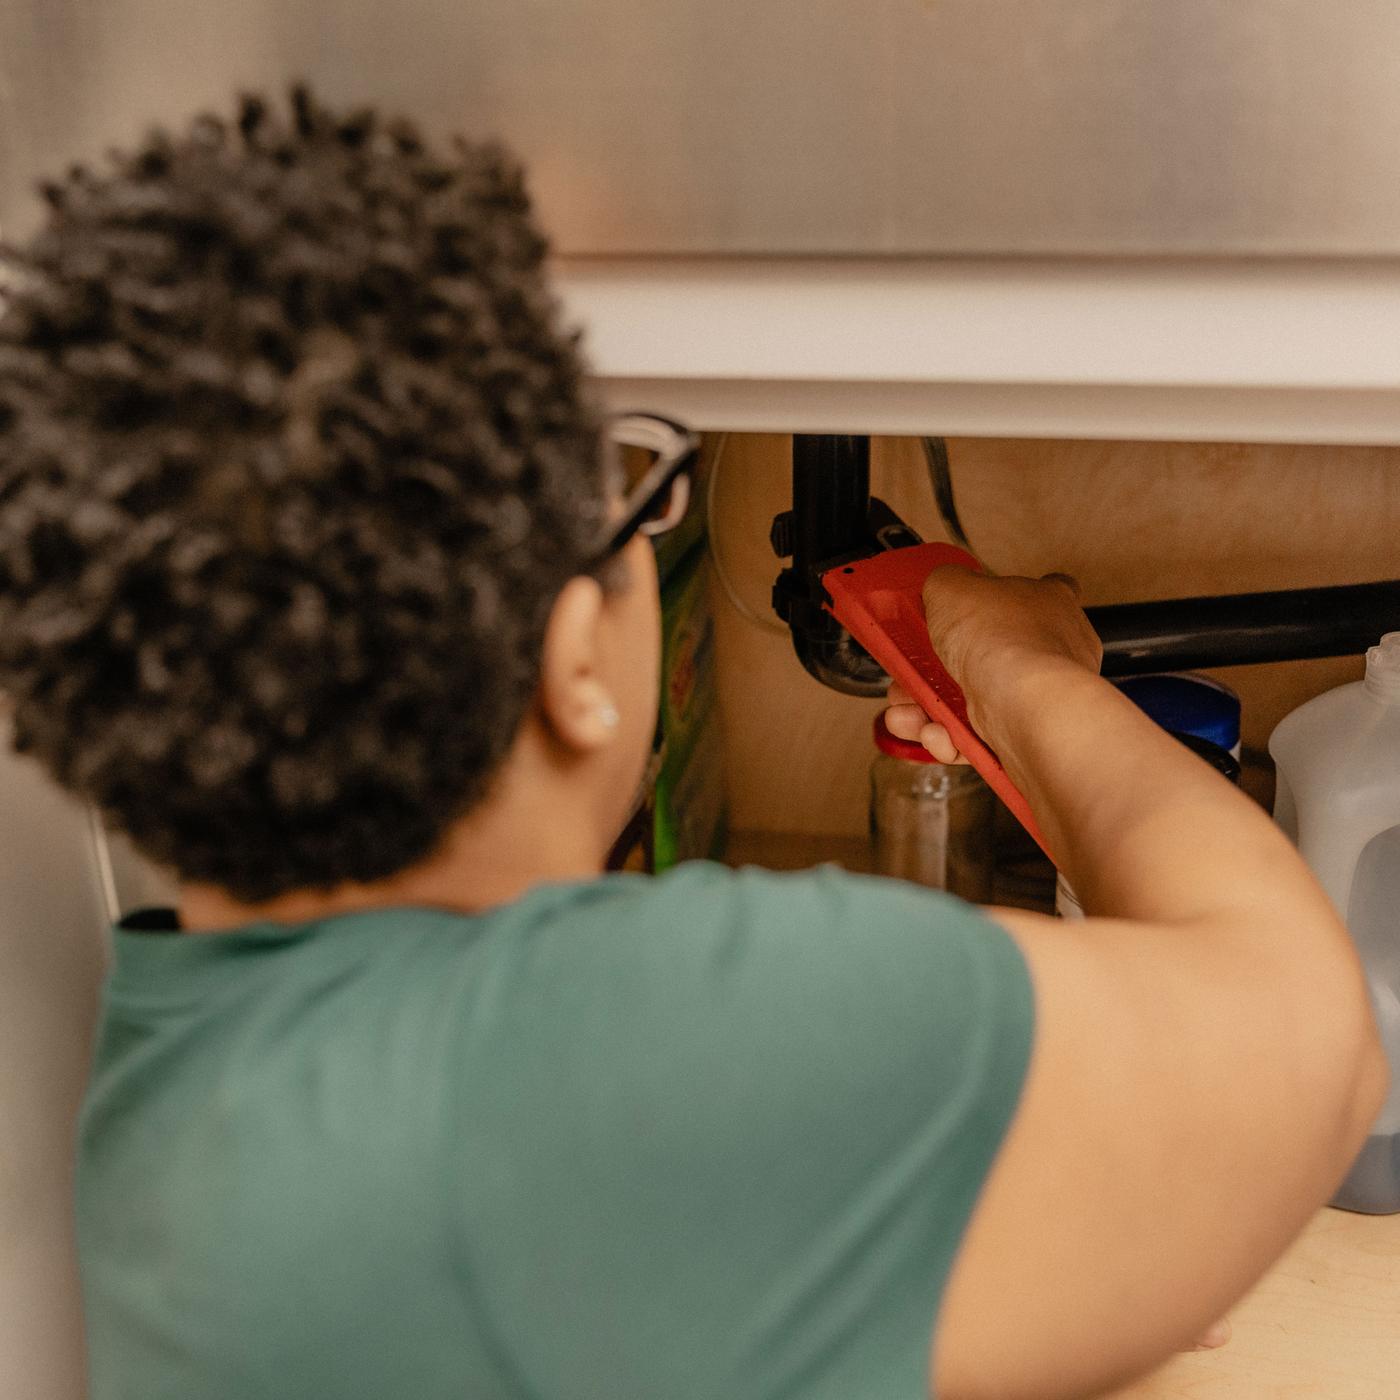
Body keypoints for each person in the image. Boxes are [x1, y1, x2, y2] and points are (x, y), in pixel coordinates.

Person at [0, 89, 1384, 1400]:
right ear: (569, 665)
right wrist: (1019, 660)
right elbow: (1309, 1037)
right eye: (636, 491)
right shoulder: (649, 1038)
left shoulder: (172, 1087)